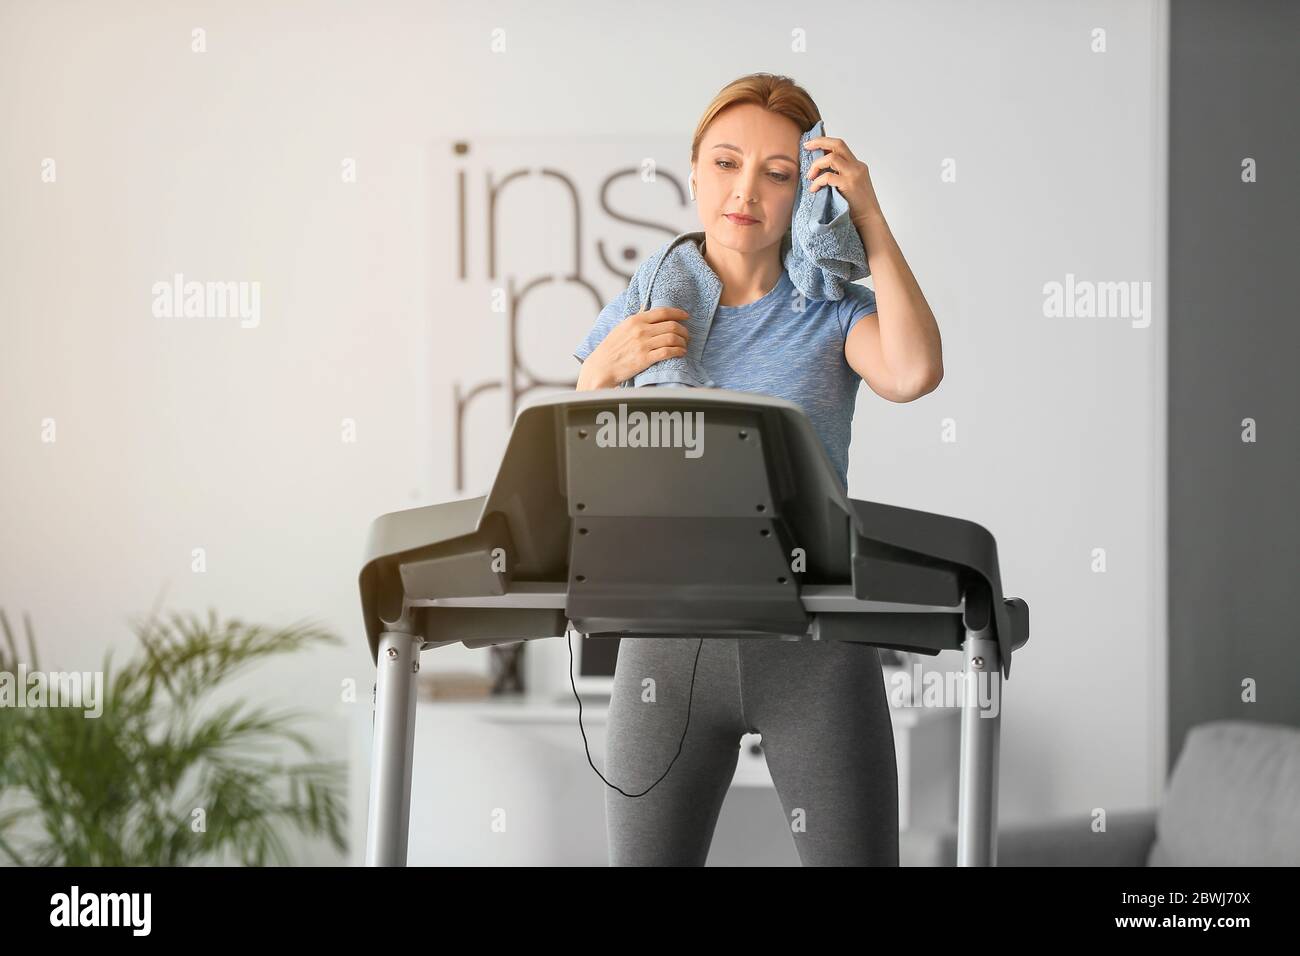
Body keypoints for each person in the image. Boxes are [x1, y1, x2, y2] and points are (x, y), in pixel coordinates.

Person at [573, 72, 942, 866]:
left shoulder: (833, 309)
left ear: (807, 193)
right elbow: (583, 458)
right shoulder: (643, 306)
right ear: (696, 168)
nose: (746, 191)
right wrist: (596, 376)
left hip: (814, 648)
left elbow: (913, 373)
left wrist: (871, 215)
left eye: (779, 174)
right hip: (664, 650)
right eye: (726, 163)